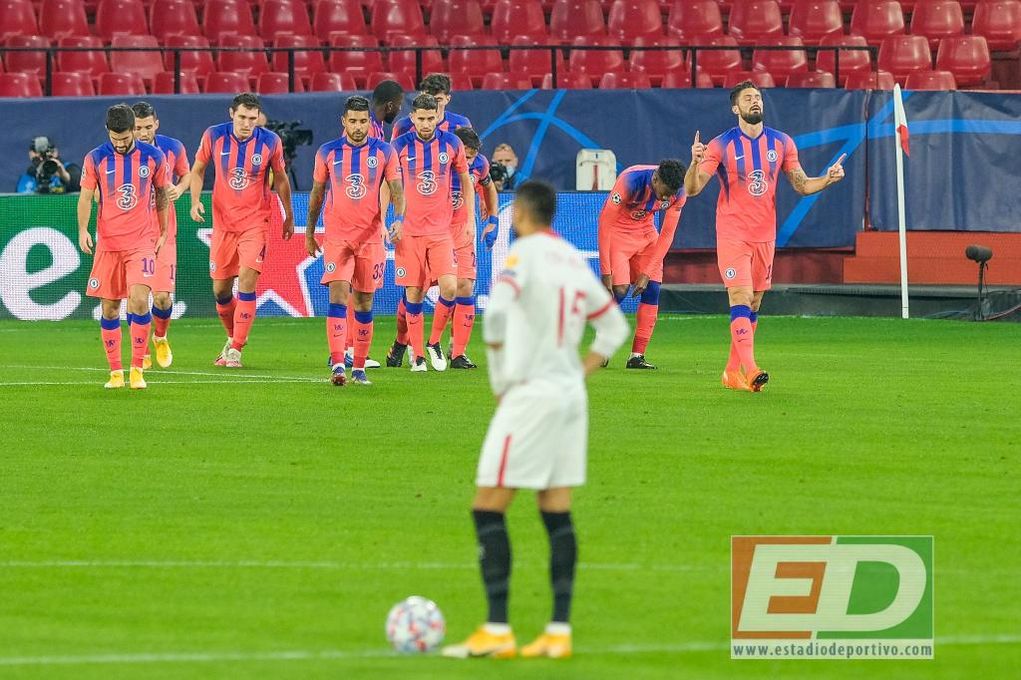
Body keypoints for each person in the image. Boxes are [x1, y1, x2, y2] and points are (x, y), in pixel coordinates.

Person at [442, 180, 629, 660]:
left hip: (529, 395)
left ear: (519, 215)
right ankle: (558, 632)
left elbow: (496, 318)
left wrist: (502, 384)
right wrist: (579, 371)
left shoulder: (521, 258)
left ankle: (497, 629)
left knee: (487, 506)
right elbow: (613, 327)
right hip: (568, 396)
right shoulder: (570, 258)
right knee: (555, 507)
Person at [684, 81, 846, 391]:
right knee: (740, 296)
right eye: (748, 98)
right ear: (736, 108)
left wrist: (827, 179)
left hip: (764, 236)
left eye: (758, 97)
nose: (755, 101)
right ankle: (752, 367)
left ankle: (732, 373)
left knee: (754, 302)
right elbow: (692, 190)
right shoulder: (721, 145)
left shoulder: (782, 143)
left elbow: (801, 184)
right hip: (732, 233)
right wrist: (693, 162)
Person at [189, 93, 294, 369]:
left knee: (247, 282)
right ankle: (232, 337)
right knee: (221, 292)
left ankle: (236, 349)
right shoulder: (214, 136)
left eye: (252, 118)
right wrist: (195, 200)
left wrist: (288, 215)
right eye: (242, 117)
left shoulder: (270, 141)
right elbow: (198, 170)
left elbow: (281, 180)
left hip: (255, 223)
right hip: (223, 225)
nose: (247, 123)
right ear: (231, 114)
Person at [306, 96, 405, 386]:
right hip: (337, 236)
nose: (358, 126)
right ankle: (338, 364)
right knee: (338, 295)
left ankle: (359, 368)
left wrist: (398, 218)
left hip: (371, 238)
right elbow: (316, 195)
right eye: (353, 121)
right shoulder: (327, 152)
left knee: (363, 302)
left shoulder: (385, 152)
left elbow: (397, 189)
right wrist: (310, 232)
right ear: (344, 122)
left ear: (369, 123)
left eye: (363, 121)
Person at [77, 104, 170, 390]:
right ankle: (115, 372)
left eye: (125, 139)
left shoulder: (154, 156)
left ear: (134, 130)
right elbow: (85, 197)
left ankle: (137, 369)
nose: (120, 144)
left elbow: (162, 193)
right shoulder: (95, 158)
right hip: (108, 242)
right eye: (115, 139)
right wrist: (82, 229)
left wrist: (163, 230)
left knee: (140, 300)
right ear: (109, 132)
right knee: (110, 308)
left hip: (141, 241)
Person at [388, 94, 474, 372]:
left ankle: (434, 341)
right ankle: (418, 358)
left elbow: (466, 181)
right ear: (412, 118)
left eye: (431, 118)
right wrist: (388, 220)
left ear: (438, 116)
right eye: (421, 118)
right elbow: (386, 185)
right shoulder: (399, 145)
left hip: (441, 232)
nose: (426, 123)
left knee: (450, 287)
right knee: (413, 292)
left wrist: (470, 219)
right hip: (409, 232)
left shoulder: (452, 144)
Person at [597, 160, 686, 370]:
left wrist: (647, 273)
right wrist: (605, 271)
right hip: (618, 234)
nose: (665, 198)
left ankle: (637, 356)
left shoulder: (679, 193)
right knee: (618, 290)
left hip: (646, 235)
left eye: (669, 195)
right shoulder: (630, 180)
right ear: (655, 179)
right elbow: (604, 223)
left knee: (652, 288)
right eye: (663, 193)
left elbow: (667, 235)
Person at [424, 126, 500, 370]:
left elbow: (488, 187)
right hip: (435, 230)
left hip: (463, 230)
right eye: (465, 156)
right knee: (418, 290)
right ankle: (422, 343)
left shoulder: (480, 165)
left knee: (465, 286)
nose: (468, 161)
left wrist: (493, 219)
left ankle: (458, 353)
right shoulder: (438, 162)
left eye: (472, 156)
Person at [132, 101, 190, 370]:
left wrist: (179, 188)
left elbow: (187, 175)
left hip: (165, 233)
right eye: (137, 128)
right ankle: (140, 350)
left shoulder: (173, 147)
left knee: (163, 297)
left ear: (156, 123)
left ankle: (160, 337)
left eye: (146, 127)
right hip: (134, 234)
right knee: (138, 297)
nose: (142, 133)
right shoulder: (122, 154)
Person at [392, 73, 472, 138]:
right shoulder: (403, 127)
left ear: (447, 99)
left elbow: (471, 156)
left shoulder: (461, 124)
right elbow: (392, 156)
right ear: (421, 96)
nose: (433, 105)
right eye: (429, 99)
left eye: (438, 100)